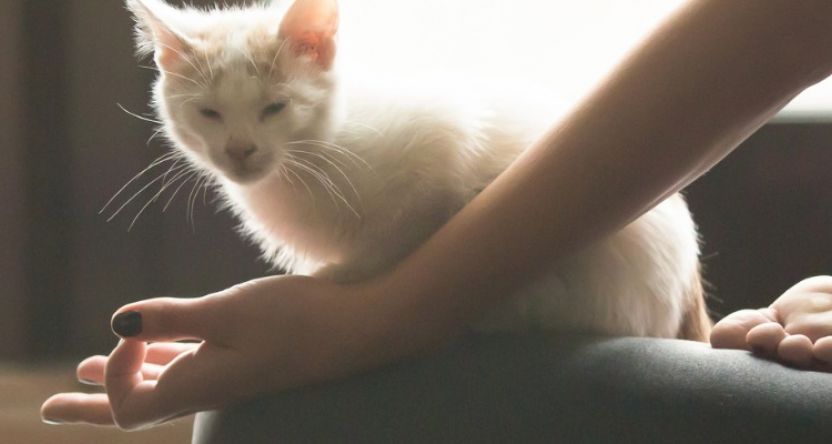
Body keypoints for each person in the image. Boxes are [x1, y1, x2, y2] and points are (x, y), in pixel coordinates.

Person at [41, 0, 832, 430]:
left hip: (598, 293)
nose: (241, 149)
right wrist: (364, 310)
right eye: (210, 118)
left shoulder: (374, 137)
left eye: (272, 111)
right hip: (623, 296)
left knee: (259, 419)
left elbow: (447, 139)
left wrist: (368, 314)